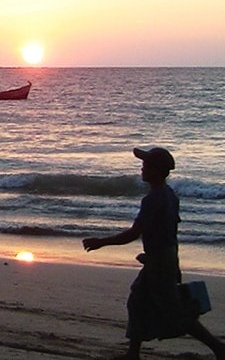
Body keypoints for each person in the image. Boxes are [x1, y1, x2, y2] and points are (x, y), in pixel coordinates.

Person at [83, 147, 225, 359]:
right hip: (163, 257)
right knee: (138, 301)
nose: (142, 168)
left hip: (159, 261)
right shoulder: (170, 195)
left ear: (157, 171)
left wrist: (101, 242)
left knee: (175, 313)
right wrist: (166, 261)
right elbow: (169, 233)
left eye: (147, 165)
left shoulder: (153, 200)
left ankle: (218, 348)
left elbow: (134, 233)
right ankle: (133, 353)